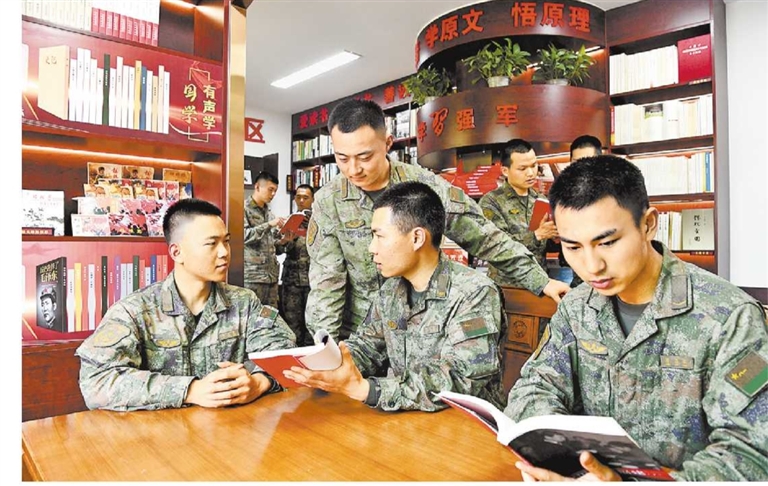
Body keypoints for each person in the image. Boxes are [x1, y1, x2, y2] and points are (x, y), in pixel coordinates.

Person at [504, 155, 768, 481]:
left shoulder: (730, 317)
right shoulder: (577, 308)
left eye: (607, 242)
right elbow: (533, 390)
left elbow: (750, 453)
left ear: (648, 224)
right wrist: (564, 462)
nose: (592, 266)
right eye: (573, 247)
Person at [306, 99, 569, 340]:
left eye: (365, 157)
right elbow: (327, 283)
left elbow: (482, 235)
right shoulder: (329, 201)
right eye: (342, 158)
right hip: (363, 335)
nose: (353, 169)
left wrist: (540, 280)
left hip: (422, 332)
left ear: (387, 143)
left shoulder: (424, 186)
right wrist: (326, 348)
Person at [287, 181, 506, 412]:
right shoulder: (391, 291)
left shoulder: (475, 292)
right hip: (410, 419)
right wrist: (330, 365)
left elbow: (460, 379)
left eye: (379, 236)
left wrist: (369, 390)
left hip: (466, 424)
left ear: (417, 238)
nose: (371, 248)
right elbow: (368, 347)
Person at [76, 198, 296, 411]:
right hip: (160, 432)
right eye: (211, 243)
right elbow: (96, 381)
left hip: (230, 429)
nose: (224, 253)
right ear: (176, 252)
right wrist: (189, 390)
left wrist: (259, 382)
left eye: (226, 241)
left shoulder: (244, 302)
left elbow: (284, 352)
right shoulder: (134, 310)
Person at [479, 138, 558, 279]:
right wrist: (536, 236)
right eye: (522, 168)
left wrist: (554, 238)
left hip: (541, 281)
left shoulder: (540, 199)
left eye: (534, 166)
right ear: (505, 170)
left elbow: (543, 247)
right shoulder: (491, 202)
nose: (531, 173)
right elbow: (496, 245)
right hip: (508, 284)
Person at [562, 134, 604, 288]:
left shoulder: (615, 193)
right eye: (576, 163)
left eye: (587, 162)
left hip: (609, 277)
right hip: (580, 282)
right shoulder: (566, 196)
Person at [279, 184, 315, 346]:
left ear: (312, 200)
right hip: (291, 281)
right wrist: (286, 240)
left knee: (312, 322)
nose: (301, 201)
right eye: (298, 197)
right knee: (291, 322)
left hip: (313, 280)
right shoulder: (287, 221)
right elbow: (277, 249)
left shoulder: (320, 223)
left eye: (305, 197)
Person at [244, 171, 285, 308]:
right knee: (252, 315)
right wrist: (269, 225)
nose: (273, 194)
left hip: (271, 277)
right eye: (270, 189)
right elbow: (243, 236)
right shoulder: (243, 209)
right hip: (253, 277)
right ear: (257, 187)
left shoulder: (269, 213)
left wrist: (284, 241)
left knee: (270, 316)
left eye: (275, 191)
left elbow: (273, 246)